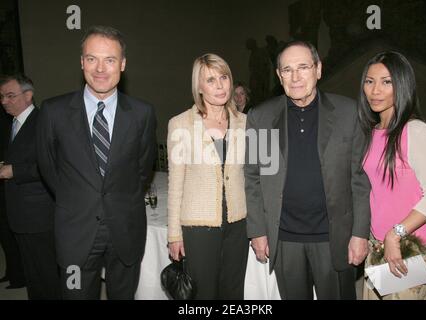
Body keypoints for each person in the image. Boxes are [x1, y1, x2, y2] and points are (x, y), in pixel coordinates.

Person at [36, 26, 157, 299]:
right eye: (92, 58)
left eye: (110, 60)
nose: (100, 68)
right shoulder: (53, 112)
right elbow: (48, 167)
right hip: (75, 231)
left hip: (125, 229)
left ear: (123, 64)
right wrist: (78, 196)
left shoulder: (142, 114)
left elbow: (142, 169)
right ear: (81, 62)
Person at [244, 41, 371, 300]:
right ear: (279, 76)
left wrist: (360, 233)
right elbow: (253, 177)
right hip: (285, 239)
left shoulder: (349, 113)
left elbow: (360, 180)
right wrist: (257, 231)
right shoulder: (261, 117)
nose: (295, 77)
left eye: (303, 67)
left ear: (318, 69)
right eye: (287, 70)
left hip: (333, 237)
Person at [358, 51, 426, 300]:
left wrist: (395, 234)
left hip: (408, 247)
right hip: (377, 246)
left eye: (386, 82)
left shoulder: (416, 132)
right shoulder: (371, 133)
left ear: (402, 84)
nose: (375, 90)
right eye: (369, 81)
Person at [167, 53, 248, 299]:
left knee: (233, 292)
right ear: (199, 87)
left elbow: (253, 178)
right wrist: (173, 234)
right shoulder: (180, 124)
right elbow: (176, 184)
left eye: (224, 77)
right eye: (210, 80)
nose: (220, 85)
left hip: (239, 223)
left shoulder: (245, 122)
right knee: (203, 294)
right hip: (199, 226)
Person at [0, 74, 60, 298]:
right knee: (33, 274)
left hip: (40, 215)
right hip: (20, 214)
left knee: (47, 274)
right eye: (2, 96)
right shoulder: (13, 123)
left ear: (28, 95)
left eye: (10, 95)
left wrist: (14, 170)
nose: (4, 101)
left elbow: (55, 164)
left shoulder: (43, 121)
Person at [0, 90, 26, 290]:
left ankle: (18, 275)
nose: (5, 101)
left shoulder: (10, 119)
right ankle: (12, 272)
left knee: (11, 232)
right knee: (5, 233)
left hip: (10, 181)